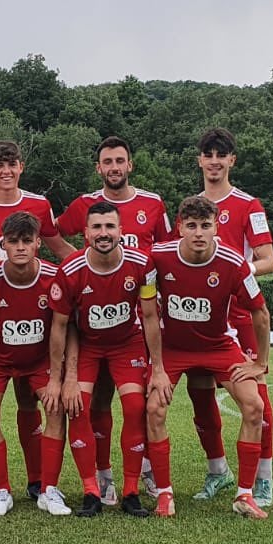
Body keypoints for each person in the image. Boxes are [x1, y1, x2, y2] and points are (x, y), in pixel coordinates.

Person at [55, 136, 171, 506]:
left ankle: (133, 488)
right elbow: (65, 325)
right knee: (81, 406)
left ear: (122, 231)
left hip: (126, 344)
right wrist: (66, 377)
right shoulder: (70, 270)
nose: (103, 233)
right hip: (88, 346)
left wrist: (158, 368)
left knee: (135, 407)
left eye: (110, 227)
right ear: (86, 232)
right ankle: (93, 487)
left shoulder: (142, 264)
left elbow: (150, 315)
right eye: (97, 228)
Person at [147, 195, 273, 519]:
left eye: (206, 225)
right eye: (191, 226)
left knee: (255, 405)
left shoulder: (234, 263)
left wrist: (260, 362)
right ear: (179, 228)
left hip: (218, 345)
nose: (199, 233)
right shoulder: (158, 257)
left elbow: (260, 312)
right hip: (173, 349)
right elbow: (147, 311)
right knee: (154, 408)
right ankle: (164, 494)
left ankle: (245, 494)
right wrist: (157, 367)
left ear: (216, 227)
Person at [0, 140, 76, 501]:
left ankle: (39, 481)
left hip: (34, 322)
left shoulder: (39, 205)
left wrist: (96, 273)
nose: (6, 171)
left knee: (32, 405)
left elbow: (60, 248)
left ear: (21, 167)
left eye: (11, 164)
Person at [182, 128, 273, 508]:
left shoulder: (248, 205)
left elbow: (269, 260)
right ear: (200, 160)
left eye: (222, 154)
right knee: (200, 391)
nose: (215, 160)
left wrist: (236, 272)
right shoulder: (191, 206)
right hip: (200, 315)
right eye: (208, 154)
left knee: (256, 393)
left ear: (232, 160)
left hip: (237, 312)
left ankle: (263, 480)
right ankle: (218, 470)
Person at [0, 212, 64, 518]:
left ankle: (49, 490)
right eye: (14, 241)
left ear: (38, 244)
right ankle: (2, 490)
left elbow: (64, 327)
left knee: (55, 407)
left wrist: (59, 378)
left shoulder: (52, 277)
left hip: (39, 360)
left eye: (27, 241)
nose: (20, 247)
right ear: (2, 244)